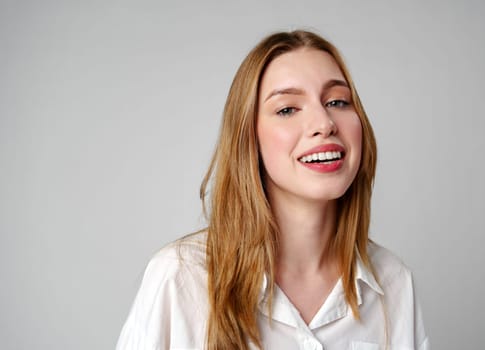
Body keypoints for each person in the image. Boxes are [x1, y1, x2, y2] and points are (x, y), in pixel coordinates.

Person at [116, 30, 429, 350]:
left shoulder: (393, 284)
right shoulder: (181, 278)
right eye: (287, 109)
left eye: (337, 101)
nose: (324, 122)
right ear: (249, 137)